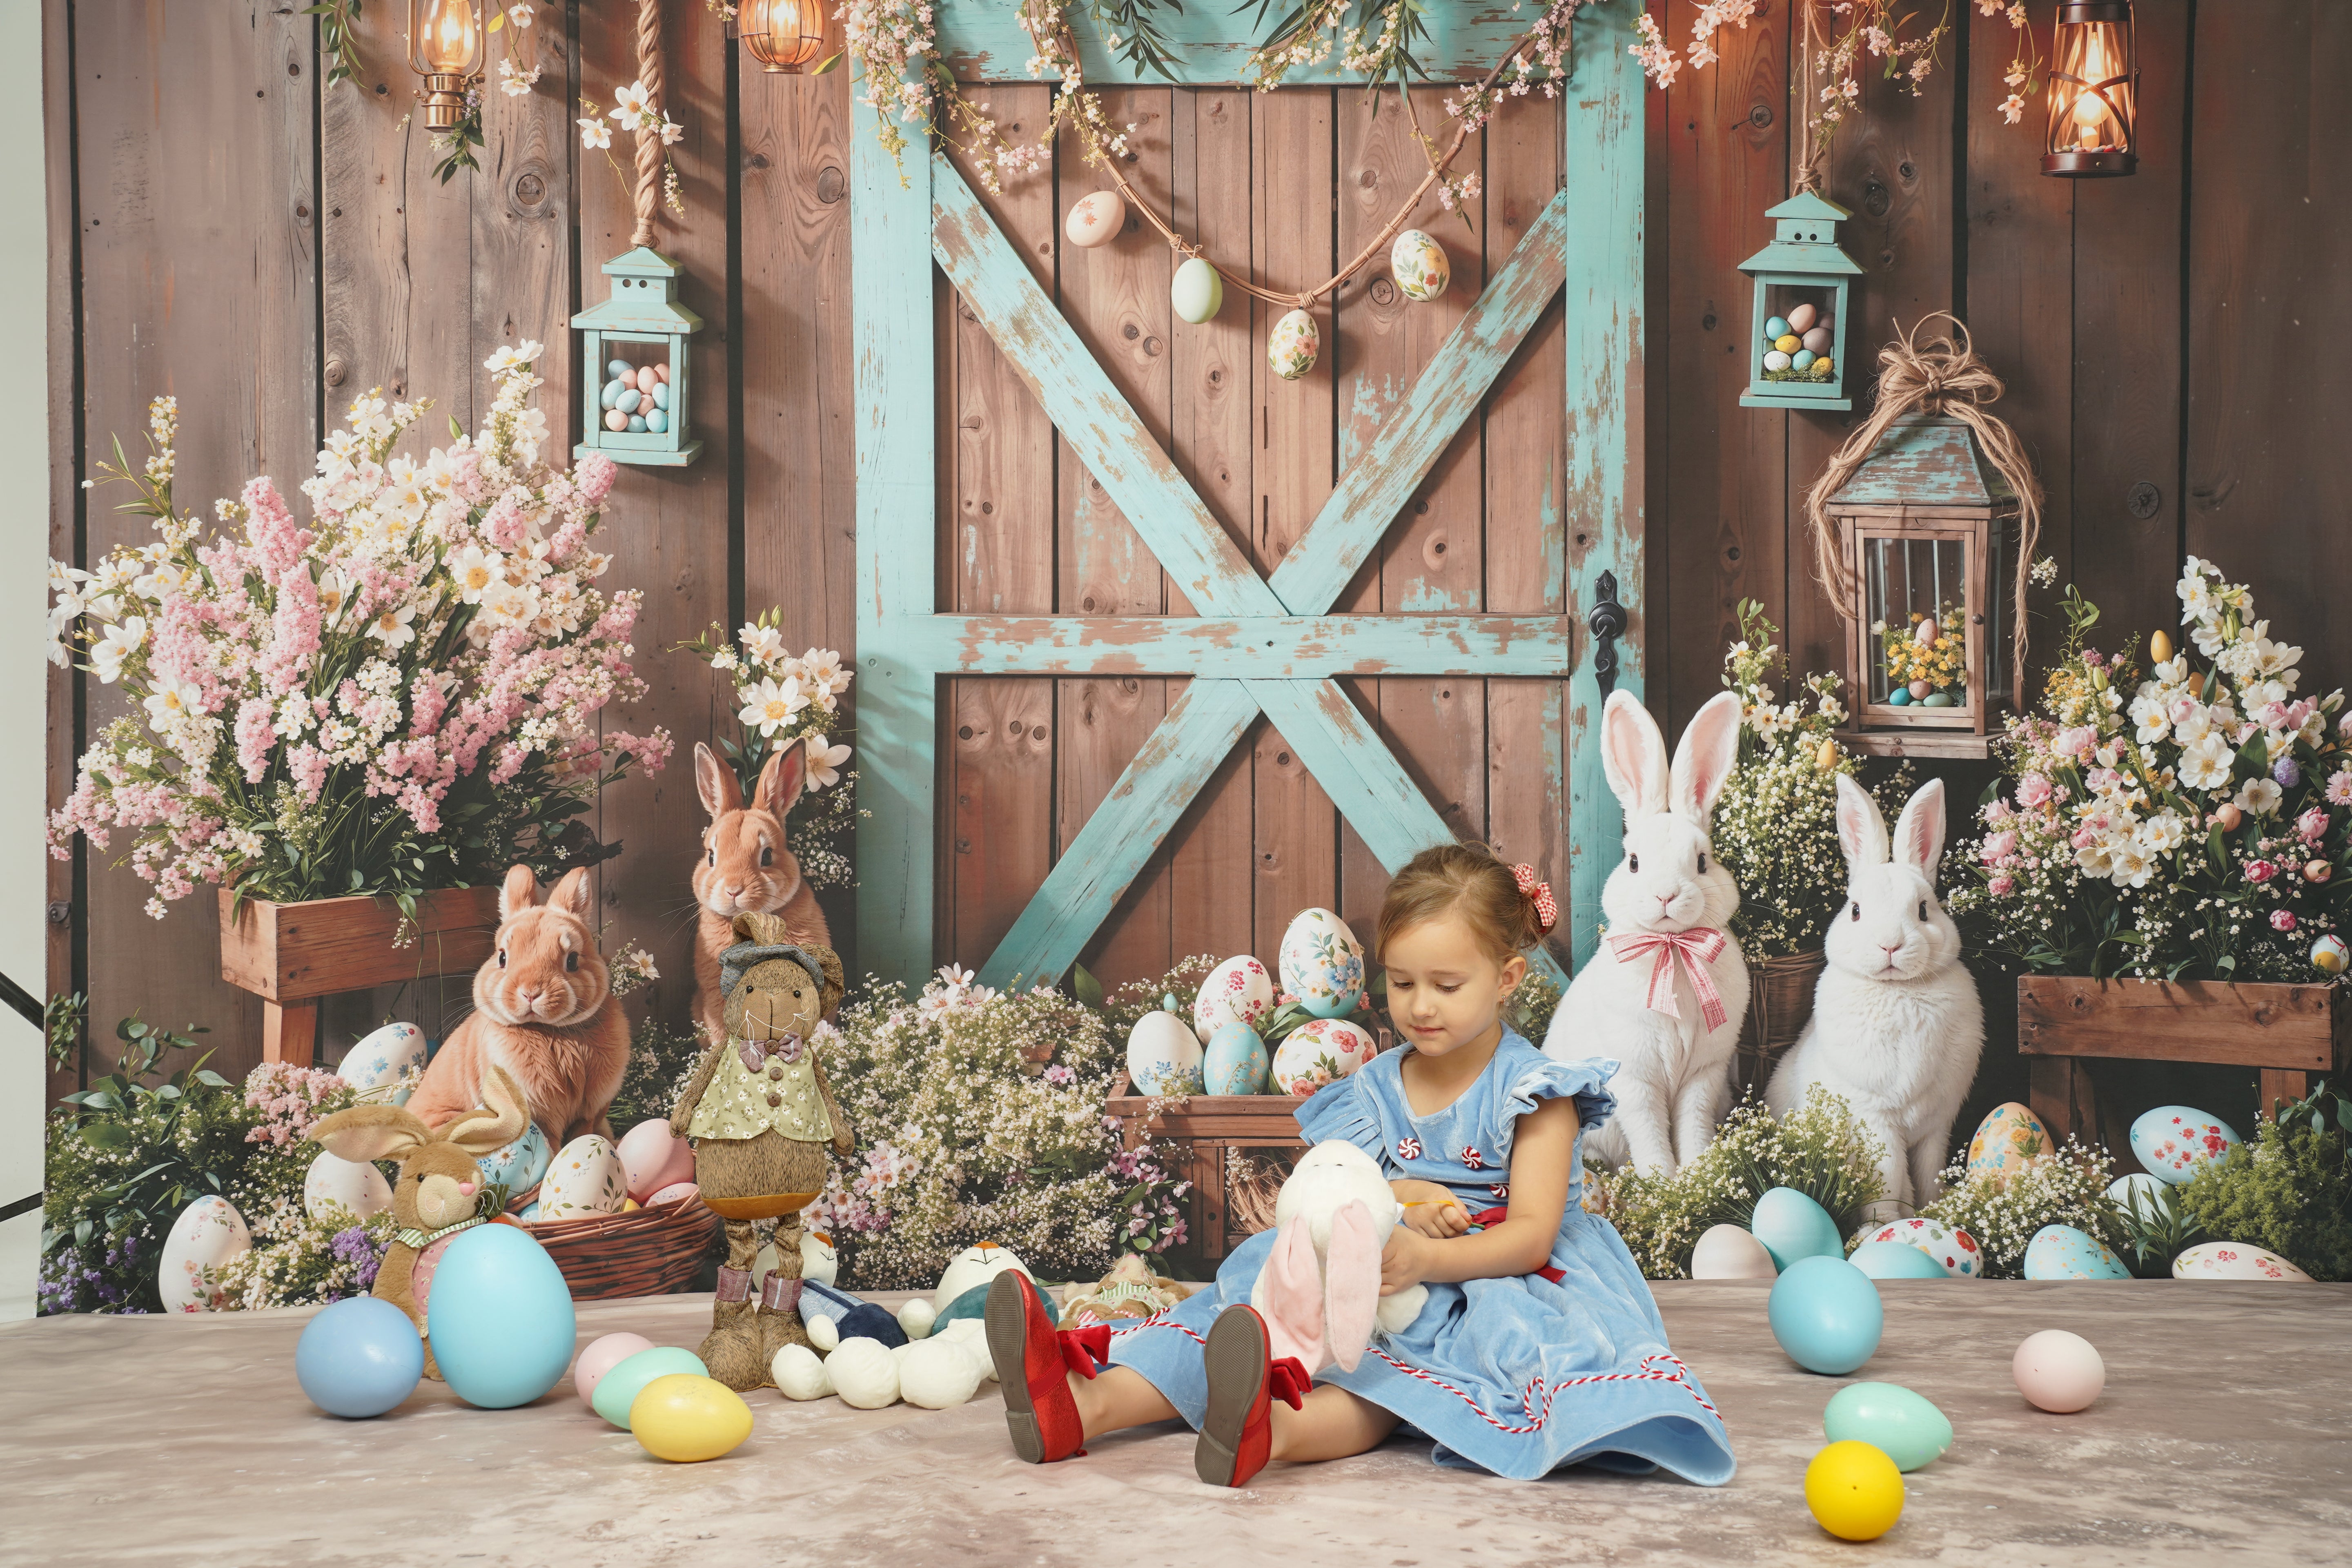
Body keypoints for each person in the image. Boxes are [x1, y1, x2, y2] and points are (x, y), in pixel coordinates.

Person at [986, 842, 1737, 1487]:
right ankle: (1083, 1407)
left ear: (1507, 979)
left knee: (1392, 1380)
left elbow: (1535, 1236)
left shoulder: (1535, 1093)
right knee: (1236, 1308)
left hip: (1489, 1279)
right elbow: (1345, 1178)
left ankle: (1266, 1431)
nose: (1420, 1006)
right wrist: (1400, 1202)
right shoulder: (1376, 1084)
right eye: (1402, 983)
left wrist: (1426, 1257)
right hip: (1377, 1260)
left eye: (1447, 986)